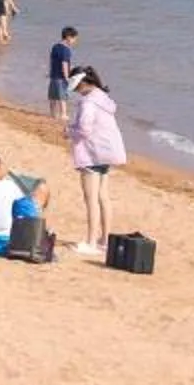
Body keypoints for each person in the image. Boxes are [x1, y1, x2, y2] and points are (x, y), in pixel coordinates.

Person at [64, 66, 126, 258]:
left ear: (82, 83)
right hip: (106, 153)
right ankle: (104, 241)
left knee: (91, 199)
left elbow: (84, 129)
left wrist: (69, 132)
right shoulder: (103, 98)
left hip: (91, 154)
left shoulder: (88, 102)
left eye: (75, 88)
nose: (75, 92)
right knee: (103, 197)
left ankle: (91, 242)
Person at [45, 25, 78, 118]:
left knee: (52, 97)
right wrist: (67, 77)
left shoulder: (55, 47)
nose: (74, 42)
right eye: (74, 39)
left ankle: (53, 114)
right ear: (68, 37)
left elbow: (52, 60)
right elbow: (64, 63)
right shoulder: (66, 50)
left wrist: (50, 71)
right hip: (61, 77)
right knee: (62, 97)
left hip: (53, 75)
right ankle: (63, 114)